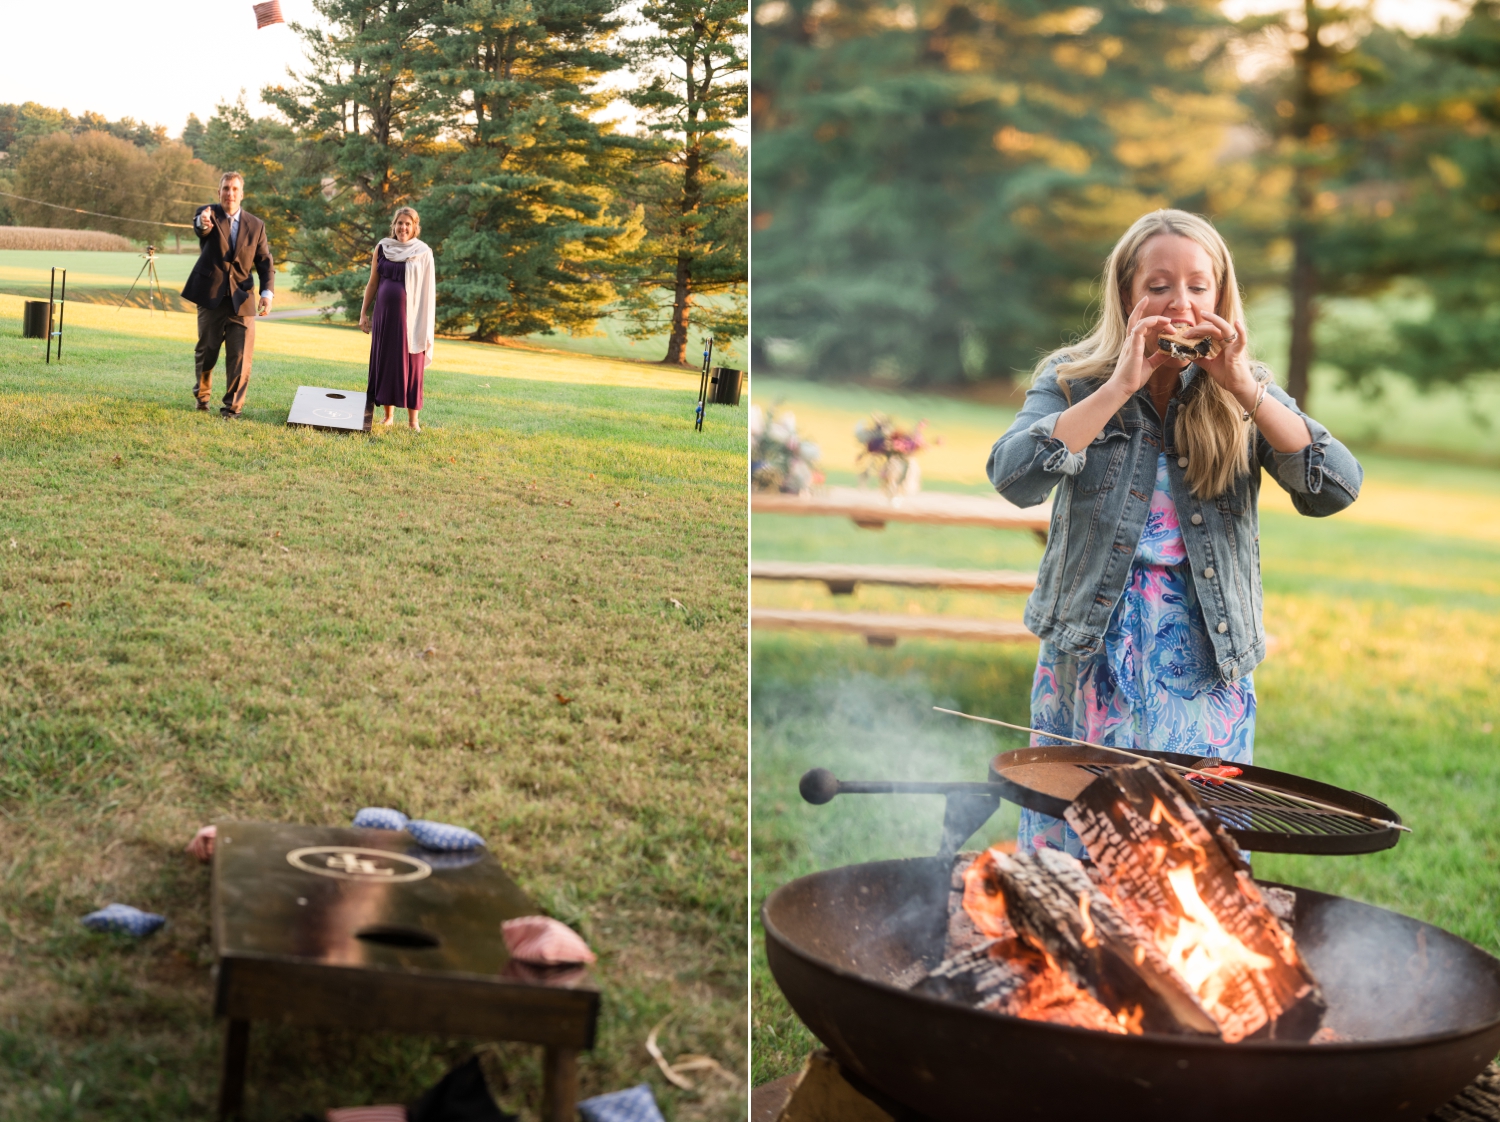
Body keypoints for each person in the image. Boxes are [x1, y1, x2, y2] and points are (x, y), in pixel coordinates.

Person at [987, 209, 1362, 857]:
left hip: (1205, 654)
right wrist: (1118, 386)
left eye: (1198, 285)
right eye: (1158, 285)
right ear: (1128, 294)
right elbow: (1014, 476)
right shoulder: (1073, 377)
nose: (1179, 303)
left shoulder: (1245, 391)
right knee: (1083, 834)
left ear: (1220, 296)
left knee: (1189, 849)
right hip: (1094, 646)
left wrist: (1243, 386)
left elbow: (1334, 486)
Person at [181, 171, 274, 417]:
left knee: (241, 357)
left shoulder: (256, 225)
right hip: (210, 297)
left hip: (242, 299)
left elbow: (265, 262)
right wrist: (203, 223)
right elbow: (201, 228)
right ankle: (202, 397)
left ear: (241, 194)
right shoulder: (207, 213)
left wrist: (267, 293)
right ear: (218, 192)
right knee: (206, 351)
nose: (229, 193)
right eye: (225, 188)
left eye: (234, 189)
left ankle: (232, 408)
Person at [360, 206, 435, 431]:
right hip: (384, 316)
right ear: (394, 225)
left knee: (413, 364)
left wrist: (423, 322)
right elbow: (373, 282)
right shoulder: (383, 247)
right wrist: (364, 312)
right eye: (400, 223)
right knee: (386, 362)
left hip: (411, 319)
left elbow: (428, 290)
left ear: (414, 228)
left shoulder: (423, 252)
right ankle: (388, 415)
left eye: (408, 224)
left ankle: (413, 421)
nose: (403, 227)